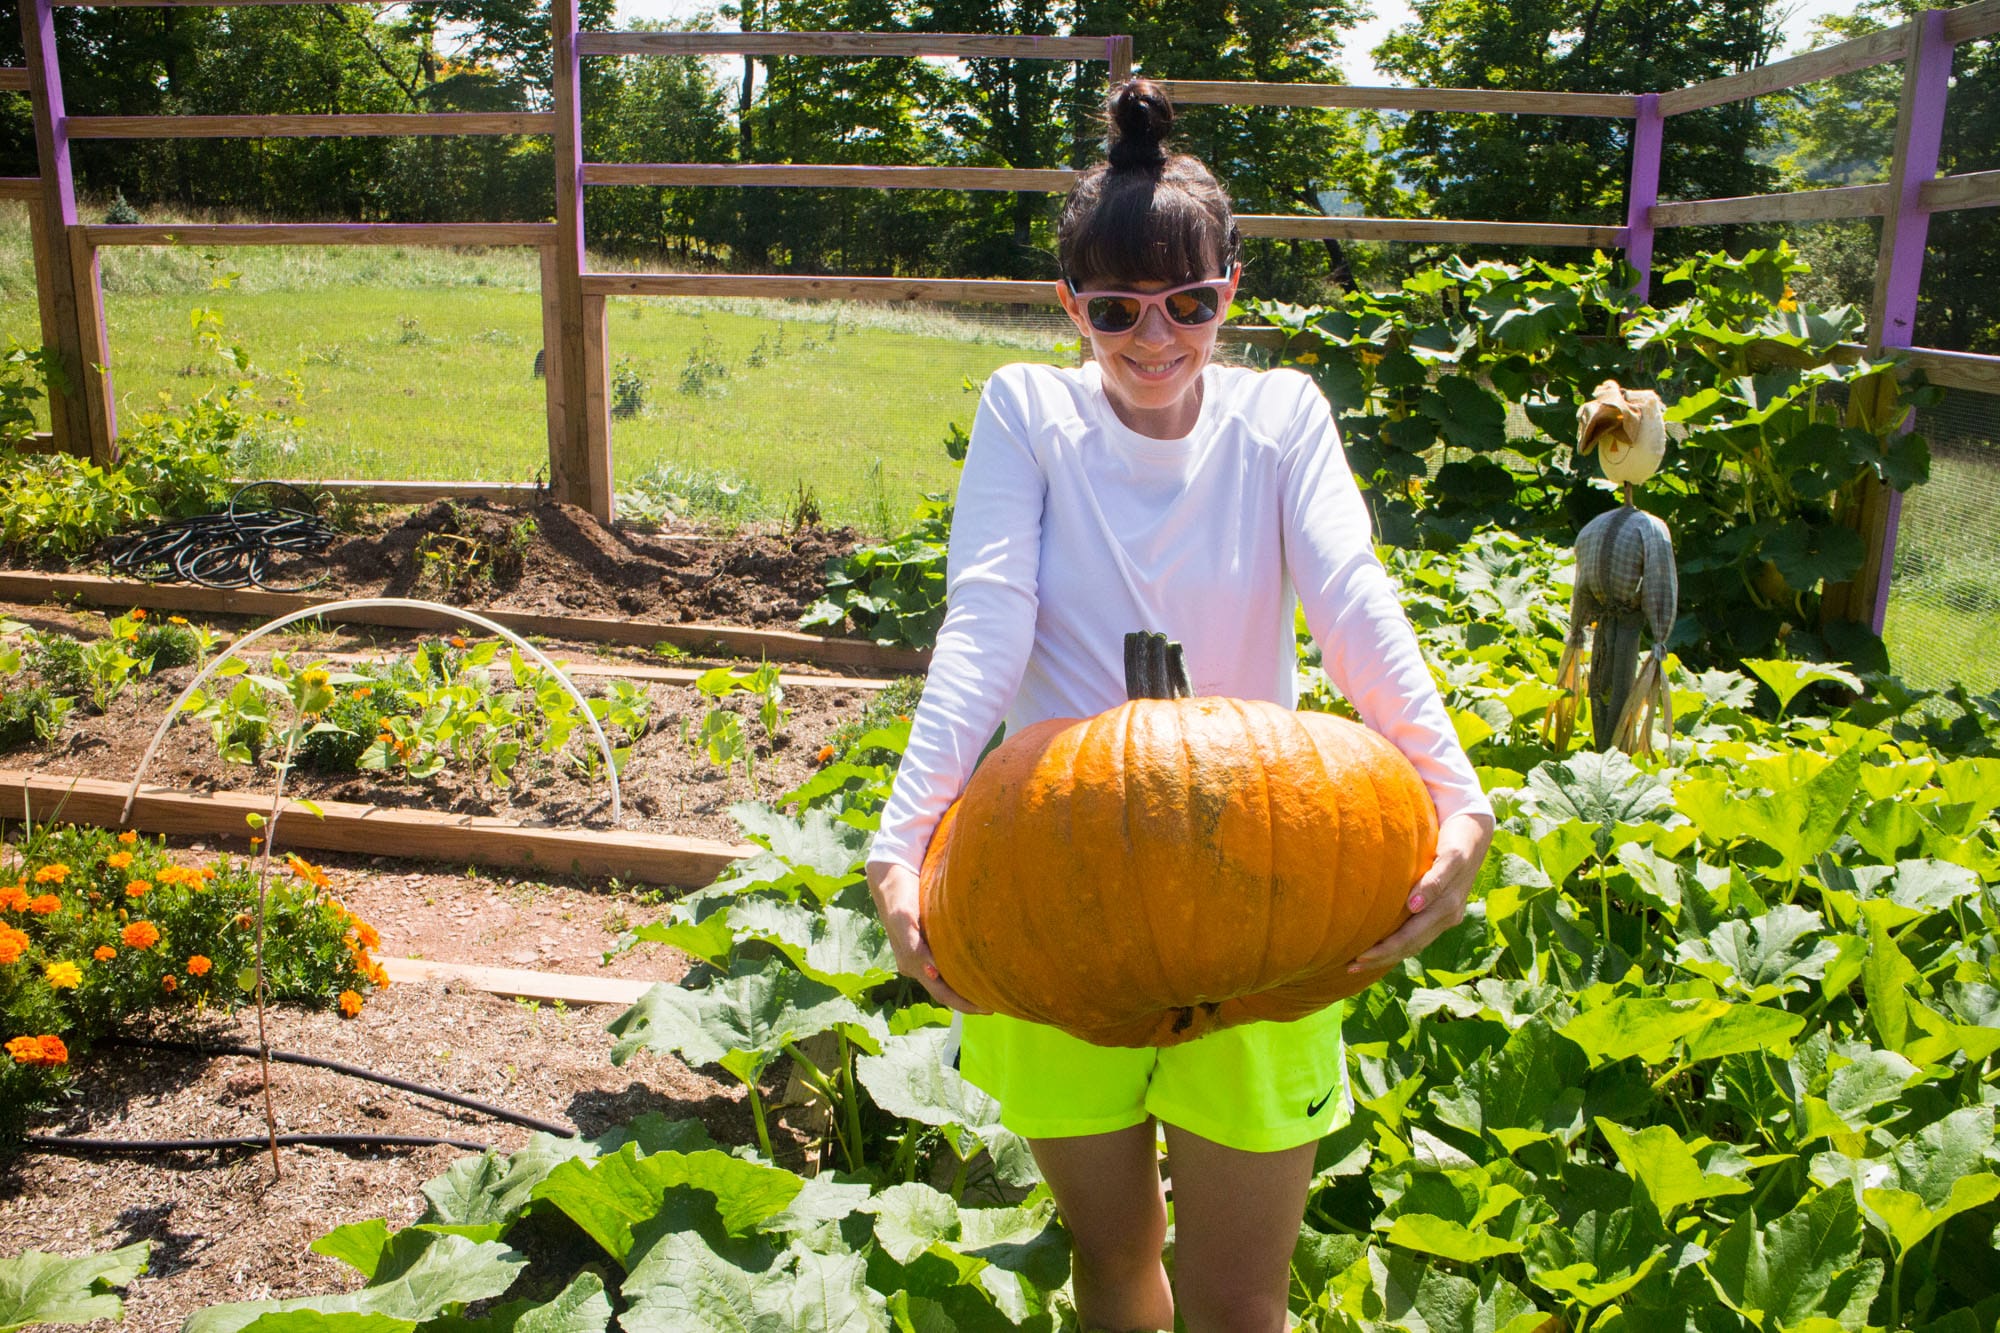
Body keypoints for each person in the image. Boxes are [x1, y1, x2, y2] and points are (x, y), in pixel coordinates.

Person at [864, 77, 1495, 1333]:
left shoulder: (1278, 419)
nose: (1153, 339)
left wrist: (1455, 792)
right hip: (1055, 885)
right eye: (1114, 311)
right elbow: (985, 620)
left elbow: (1348, 593)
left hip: (1261, 880)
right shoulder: (1026, 413)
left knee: (1239, 1293)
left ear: (1229, 294)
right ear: (1070, 308)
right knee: (1111, 1264)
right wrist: (900, 837)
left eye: (1189, 305)